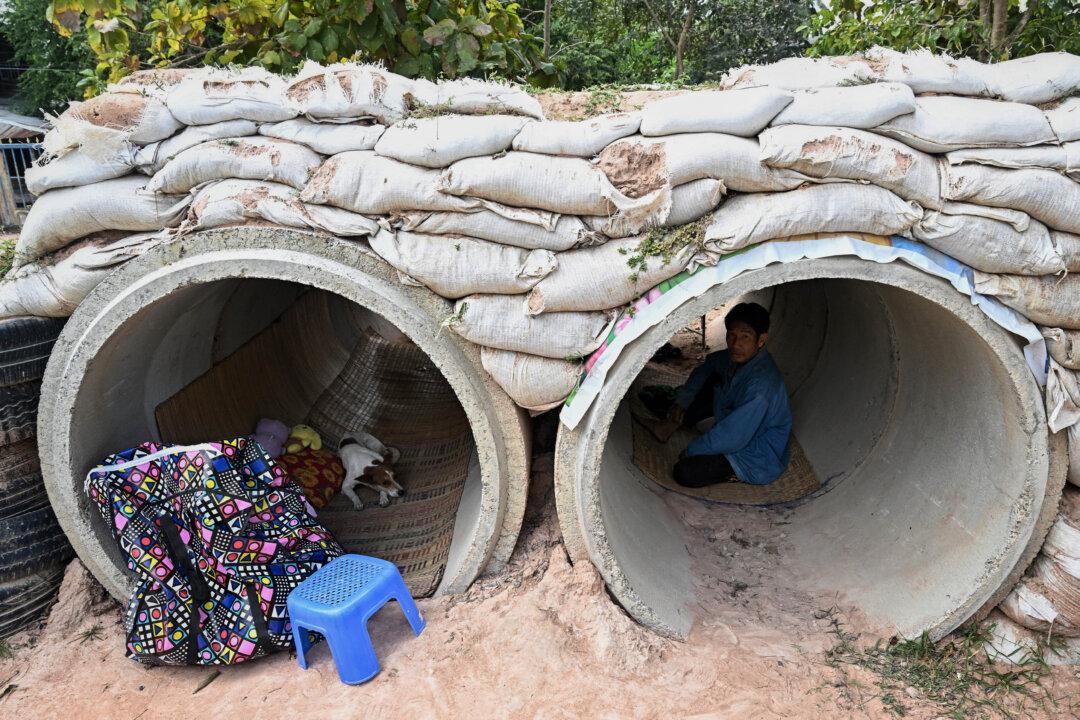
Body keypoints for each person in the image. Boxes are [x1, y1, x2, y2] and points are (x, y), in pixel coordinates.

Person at [651, 302, 792, 488]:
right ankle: (673, 421)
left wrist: (692, 450)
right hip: (733, 421)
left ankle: (733, 473)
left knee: (684, 472)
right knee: (706, 379)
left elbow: (734, 437)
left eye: (745, 337)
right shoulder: (736, 357)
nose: (736, 344)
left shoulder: (761, 387)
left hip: (756, 450)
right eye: (731, 335)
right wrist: (682, 402)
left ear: (761, 340)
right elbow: (707, 367)